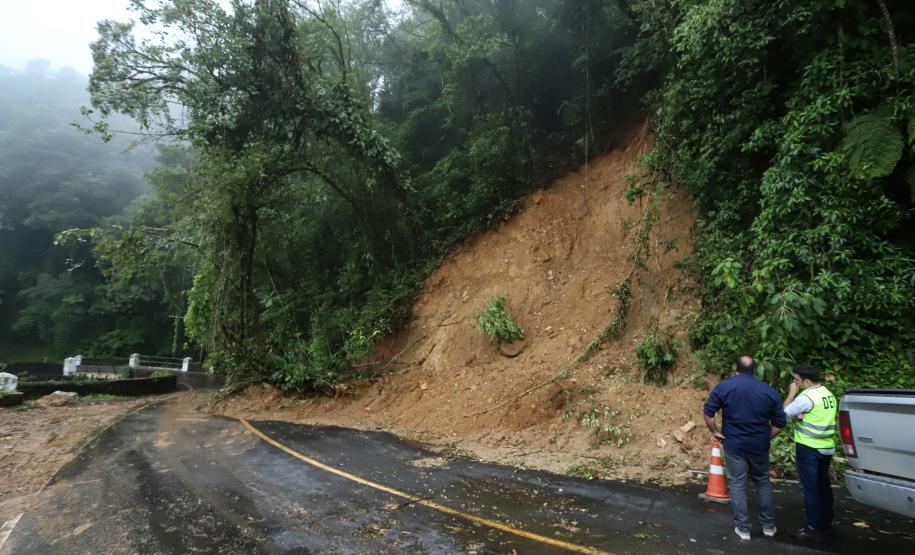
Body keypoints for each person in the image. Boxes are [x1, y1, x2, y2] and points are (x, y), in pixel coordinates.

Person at [703, 355, 786, 541]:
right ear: (754, 370)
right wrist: (766, 437)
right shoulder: (769, 391)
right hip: (759, 446)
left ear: (736, 369)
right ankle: (768, 526)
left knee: (737, 484)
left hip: (734, 445)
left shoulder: (725, 387)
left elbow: (708, 413)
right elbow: (780, 423)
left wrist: (715, 432)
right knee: (763, 482)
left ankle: (743, 528)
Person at [783, 364, 837, 542]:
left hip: (809, 447)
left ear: (806, 380)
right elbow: (818, 415)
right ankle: (826, 523)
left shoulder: (806, 397)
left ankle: (812, 527)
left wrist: (791, 393)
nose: (795, 383)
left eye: (797, 381)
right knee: (823, 486)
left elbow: (782, 414)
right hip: (826, 446)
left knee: (810, 488)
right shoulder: (828, 394)